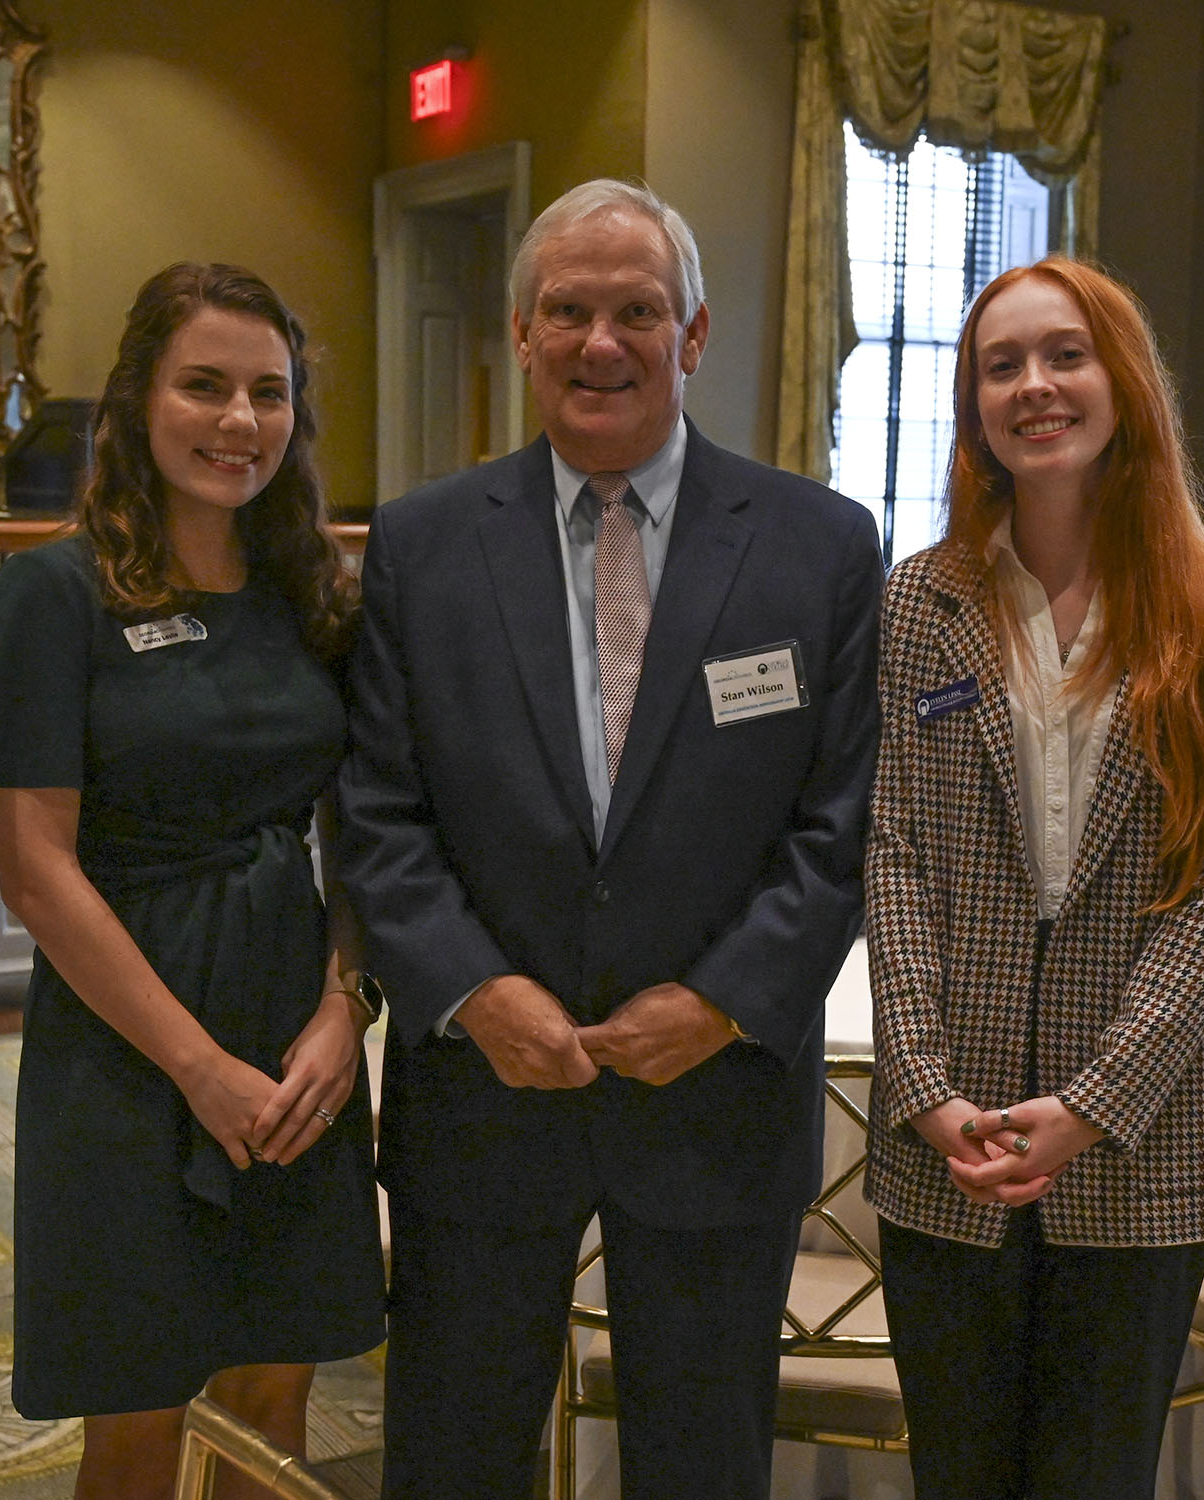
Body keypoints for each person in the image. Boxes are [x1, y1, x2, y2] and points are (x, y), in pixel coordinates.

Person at [336, 180, 881, 1499]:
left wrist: (718, 1002)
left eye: (638, 311)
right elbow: (376, 812)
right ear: (520, 334)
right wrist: (473, 991)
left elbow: (845, 824)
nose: (601, 343)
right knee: (455, 1452)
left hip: (716, 1096)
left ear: (693, 338)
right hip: (485, 1093)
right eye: (568, 311)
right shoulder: (420, 544)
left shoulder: (821, 543)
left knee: (701, 1460)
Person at [0, 263, 386, 1500]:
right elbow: (35, 873)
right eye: (206, 386)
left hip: (294, 1022)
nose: (240, 421)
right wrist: (198, 1068)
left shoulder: (313, 594)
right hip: (124, 1043)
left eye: (269, 393)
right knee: (135, 1403)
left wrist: (348, 1006)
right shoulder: (54, 593)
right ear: (135, 402)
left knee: (276, 1385)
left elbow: (358, 833)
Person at [865, 256, 1204, 1498]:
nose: (1034, 386)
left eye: (1065, 355)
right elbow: (892, 857)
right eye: (1002, 366)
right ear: (974, 405)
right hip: (951, 1143)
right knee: (961, 1474)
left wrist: (1097, 1102)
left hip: (1143, 1144)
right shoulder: (922, 603)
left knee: (1094, 1479)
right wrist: (926, 1085)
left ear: (1124, 381)